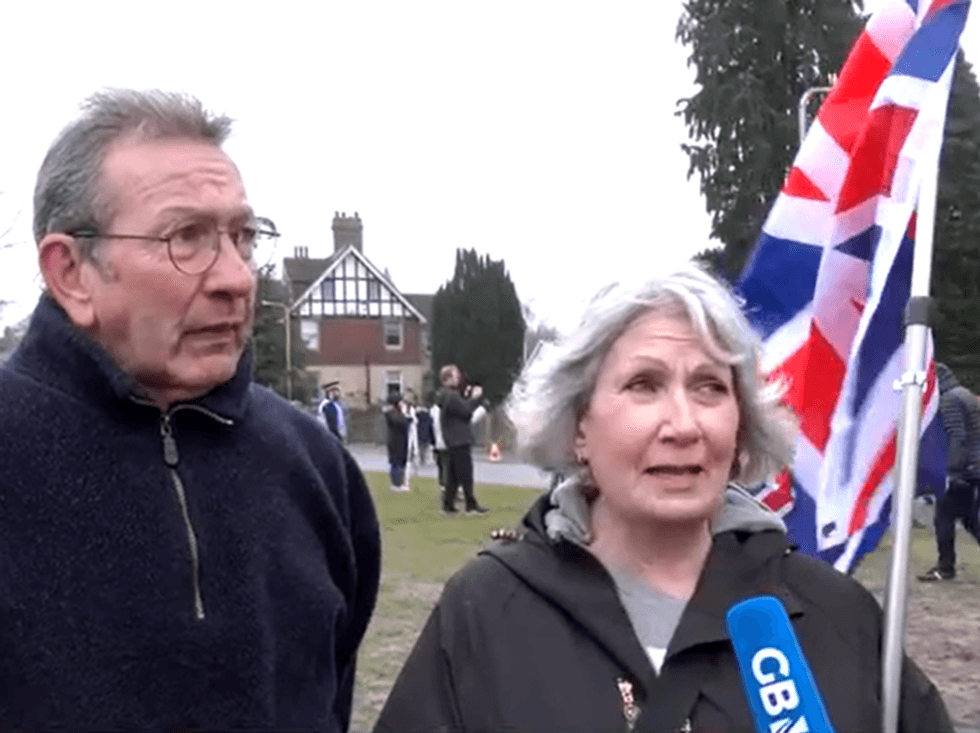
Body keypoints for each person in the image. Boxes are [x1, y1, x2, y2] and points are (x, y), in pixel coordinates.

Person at [374, 265, 952, 733]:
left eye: (709, 388)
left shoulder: (834, 615)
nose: (683, 424)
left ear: (742, 425)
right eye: (643, 385)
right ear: (579, 426)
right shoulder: (486, 612)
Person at [0, 89, 381, 731]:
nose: (235, 277)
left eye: (243, 237)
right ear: (71, 272)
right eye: (187, 238)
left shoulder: (313, 464)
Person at [919, 363, 980, 581]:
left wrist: (952, 470)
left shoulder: (949, 399)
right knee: (970, 519)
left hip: (962, 469)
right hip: (973, 465)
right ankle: (945, 567)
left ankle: (945, 568)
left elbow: (957, 436)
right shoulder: (965, 394)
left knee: (943, 518)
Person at [437, 364, 489, 515]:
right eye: (455, 376)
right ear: (448, 378)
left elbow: (460, 409)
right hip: (459, 439)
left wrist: (466, 397)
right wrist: (474, 399)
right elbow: (466, 412)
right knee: (466, 474)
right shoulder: (451, 396)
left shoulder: (446, 395)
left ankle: (448, 505)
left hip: (452, 440)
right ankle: (471, 505)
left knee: (453, 475)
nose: (458, 378)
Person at [384, 392, 411, 491]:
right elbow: (400, 423)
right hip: (395, 442)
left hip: (401, 441)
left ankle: (398, 482)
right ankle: (396, 484)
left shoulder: (396, 413)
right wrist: (404, 414)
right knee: (396, 463)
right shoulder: (391, 414)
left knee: (400, 462)